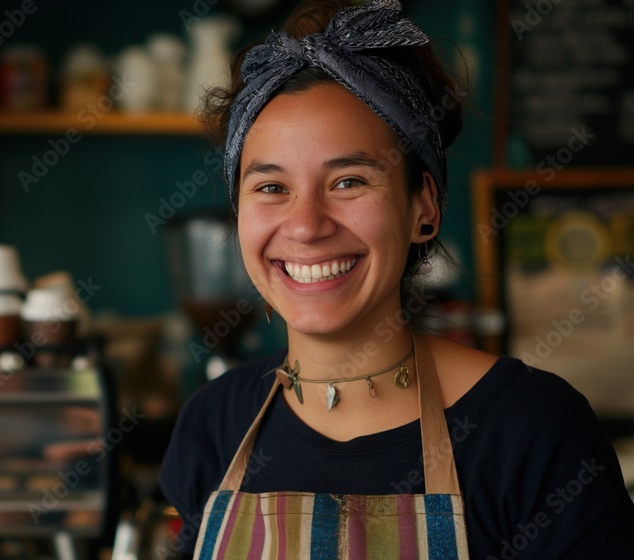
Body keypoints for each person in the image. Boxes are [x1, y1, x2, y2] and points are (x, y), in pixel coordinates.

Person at [159, 0, 634, 558]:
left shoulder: (530, 429)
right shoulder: (214, 423)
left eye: (349, 181)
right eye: (270, 187)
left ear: (423, 208)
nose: (307, 225)